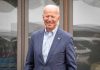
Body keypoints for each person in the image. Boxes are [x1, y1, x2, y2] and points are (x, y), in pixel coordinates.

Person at [25, 4, 77, 70]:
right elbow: (29, 64)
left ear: (58, 18)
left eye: (52, 16)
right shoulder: (35, 37)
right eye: (47, 16)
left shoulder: (66, 38)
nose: (49, 19)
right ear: (43, 17)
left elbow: (71, 66)